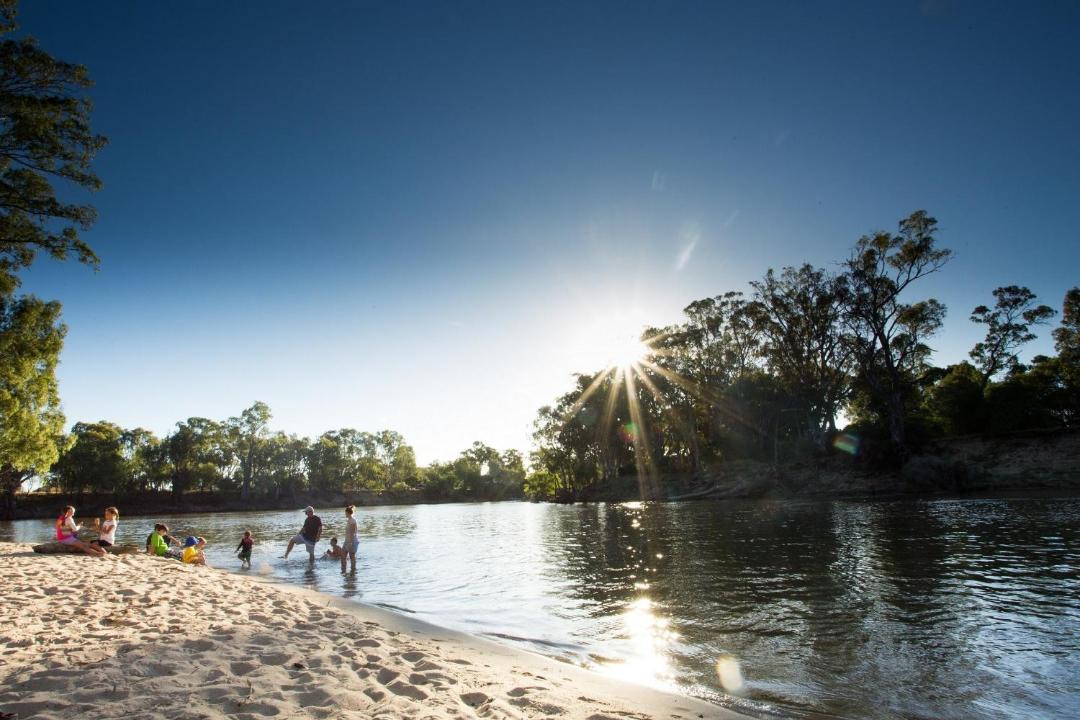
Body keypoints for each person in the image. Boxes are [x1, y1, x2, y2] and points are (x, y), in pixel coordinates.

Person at [342, 504, 358, 574]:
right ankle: (344, 571)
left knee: (352, 557)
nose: (345, 514)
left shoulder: (352, 521)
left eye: (345, 513)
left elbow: (352, 533)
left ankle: (353, 572)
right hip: (347, 541)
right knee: (343, 556)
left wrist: (350, 543)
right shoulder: (349, 520)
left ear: (348, 513)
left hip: (352, 541)